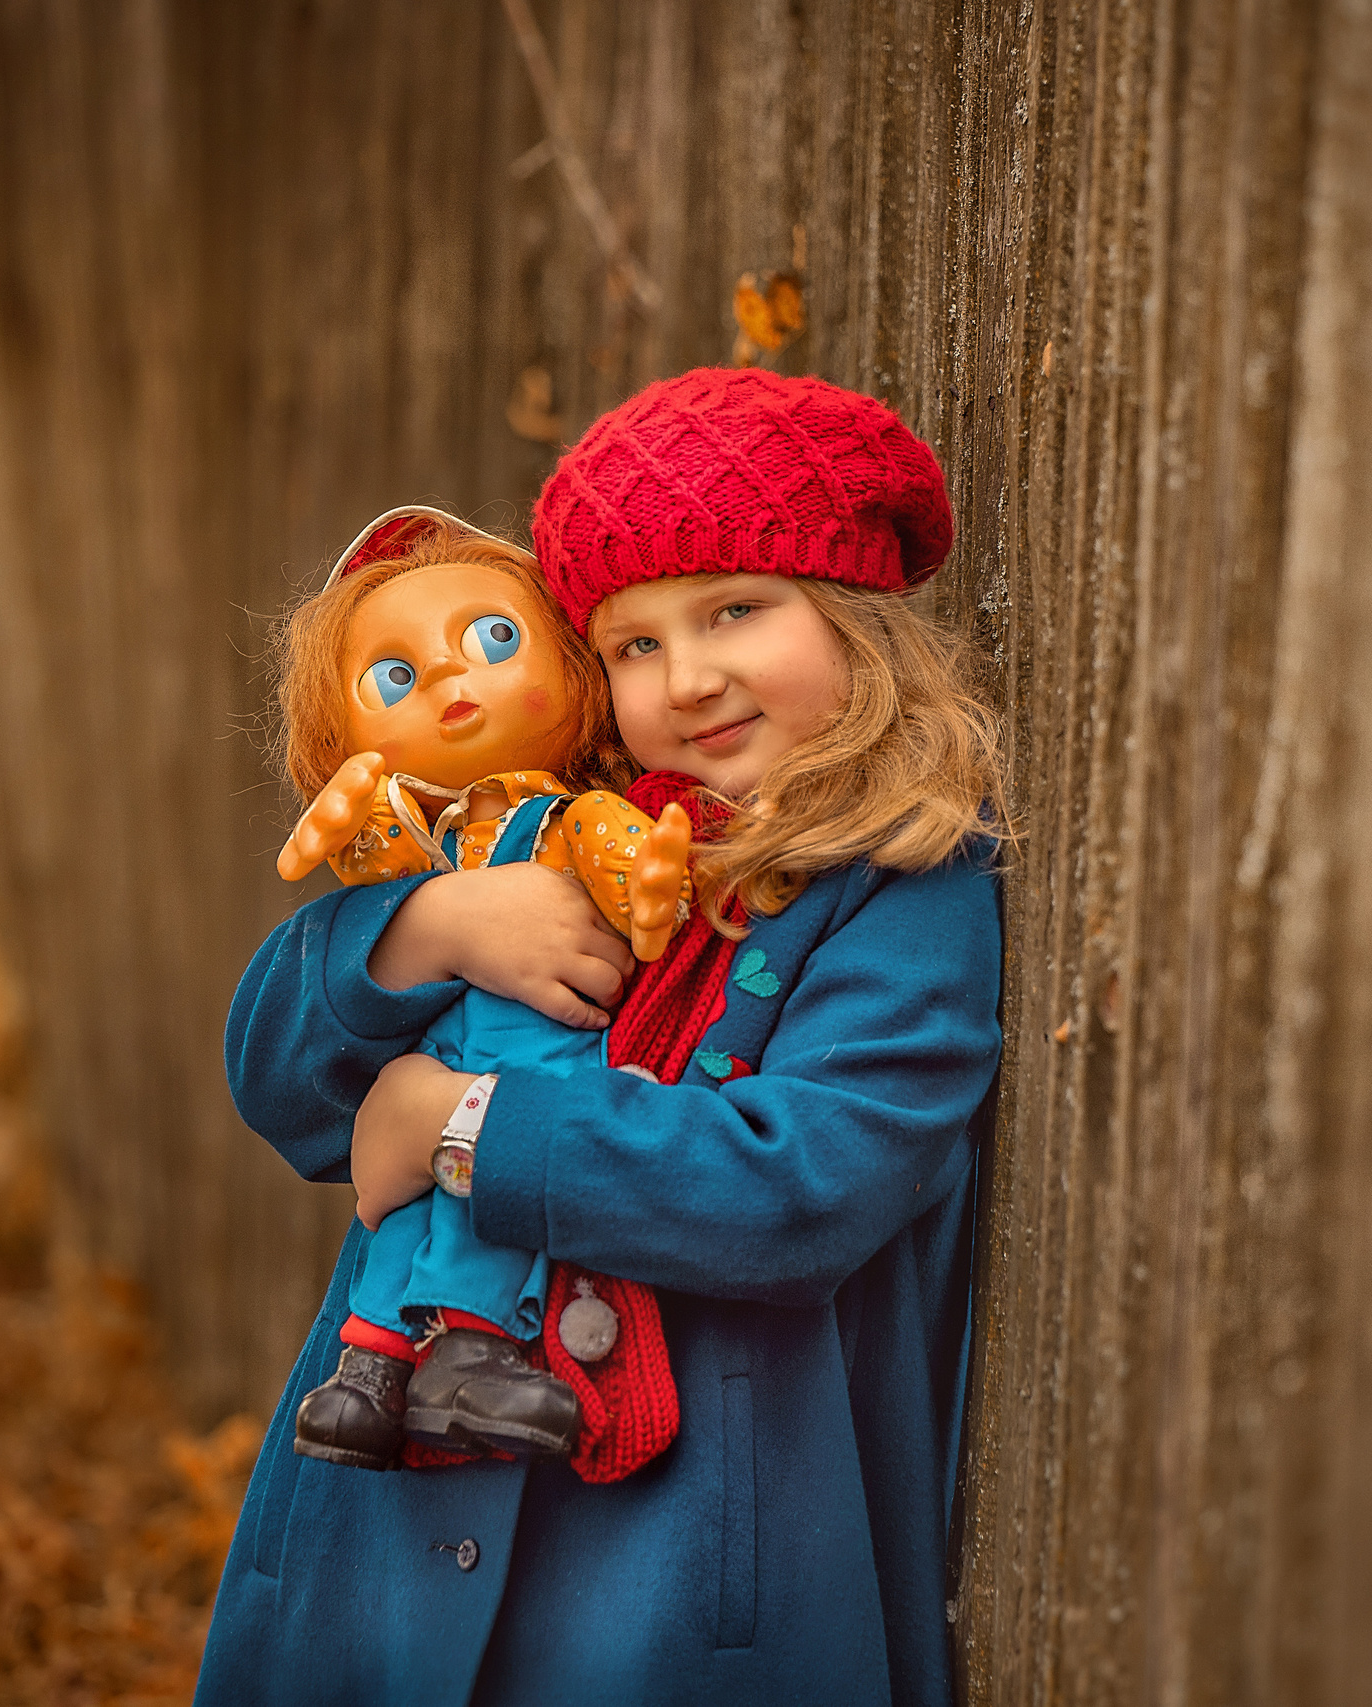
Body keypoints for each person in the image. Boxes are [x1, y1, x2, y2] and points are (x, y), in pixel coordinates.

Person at [199, 367, 1005, 1707]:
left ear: (853, 614)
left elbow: (803, 1183)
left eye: (735, 609)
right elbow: (282, 1088)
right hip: (402, 1525)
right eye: (632, 644)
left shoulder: (904, 887)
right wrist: (431, 929)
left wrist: (461, 1124)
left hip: (685, 1562)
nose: (688, 678)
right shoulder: (568, 835)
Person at [263, 507, 693, 1475]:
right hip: (451, 1064)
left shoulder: (573, 818)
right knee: (413, 1205)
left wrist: (651, 883)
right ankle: (370, 1368)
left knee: (476, 1197)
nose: (448, 678)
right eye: (395, 678)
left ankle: (466, 1349)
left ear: (574, 669)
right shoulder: (412, 852)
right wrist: (427, 922)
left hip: (529, 1075)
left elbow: (620, 856)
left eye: (494, 640)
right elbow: (271, 1059)